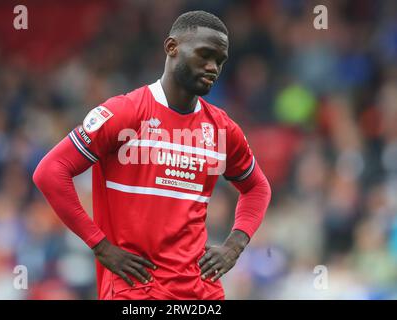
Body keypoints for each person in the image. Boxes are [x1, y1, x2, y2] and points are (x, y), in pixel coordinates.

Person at [33, 10, 271, 300]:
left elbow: (257, 187)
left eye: (220, 61)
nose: (213, 67)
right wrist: (100, 245)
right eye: (205, 55)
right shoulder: (124, 113)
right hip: (136, 290)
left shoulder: (221, 128)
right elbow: (50, 171)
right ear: (172, 47)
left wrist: (235, 244)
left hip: (201, 292)